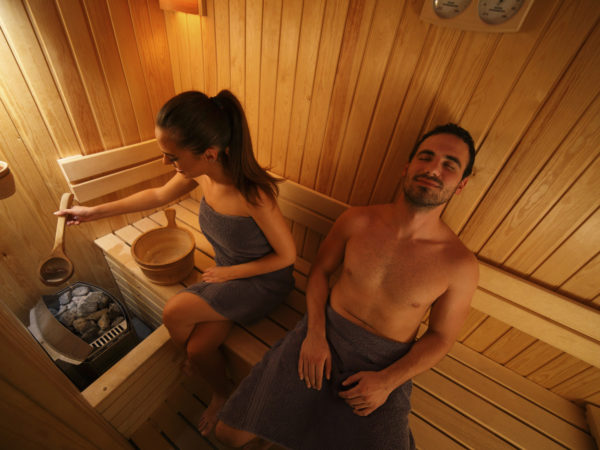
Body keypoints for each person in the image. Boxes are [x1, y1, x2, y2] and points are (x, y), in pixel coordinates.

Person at [214, 123, 479, 449]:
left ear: (462, 184)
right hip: (322, 332)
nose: (433, 169)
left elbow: (441, 337)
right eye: (426, 157)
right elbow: (320, 273)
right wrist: (313, 333)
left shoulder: (459, 264)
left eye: (449, 165)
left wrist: (387, 382)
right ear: (406, 168)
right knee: (228, 435)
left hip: (385, 363)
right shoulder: (357, 221)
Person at [55, 90, 296, 436]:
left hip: (262, 280)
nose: (167, 163)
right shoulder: (201, 173)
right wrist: (92, 212)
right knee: (198, 349)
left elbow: (287, 257)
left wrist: (230, 272)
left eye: (172, 156)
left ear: (209, 154)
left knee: (174, 313)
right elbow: (156, 195)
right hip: (226, 273)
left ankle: (217, 383)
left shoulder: (254, 195)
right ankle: (222, 390)